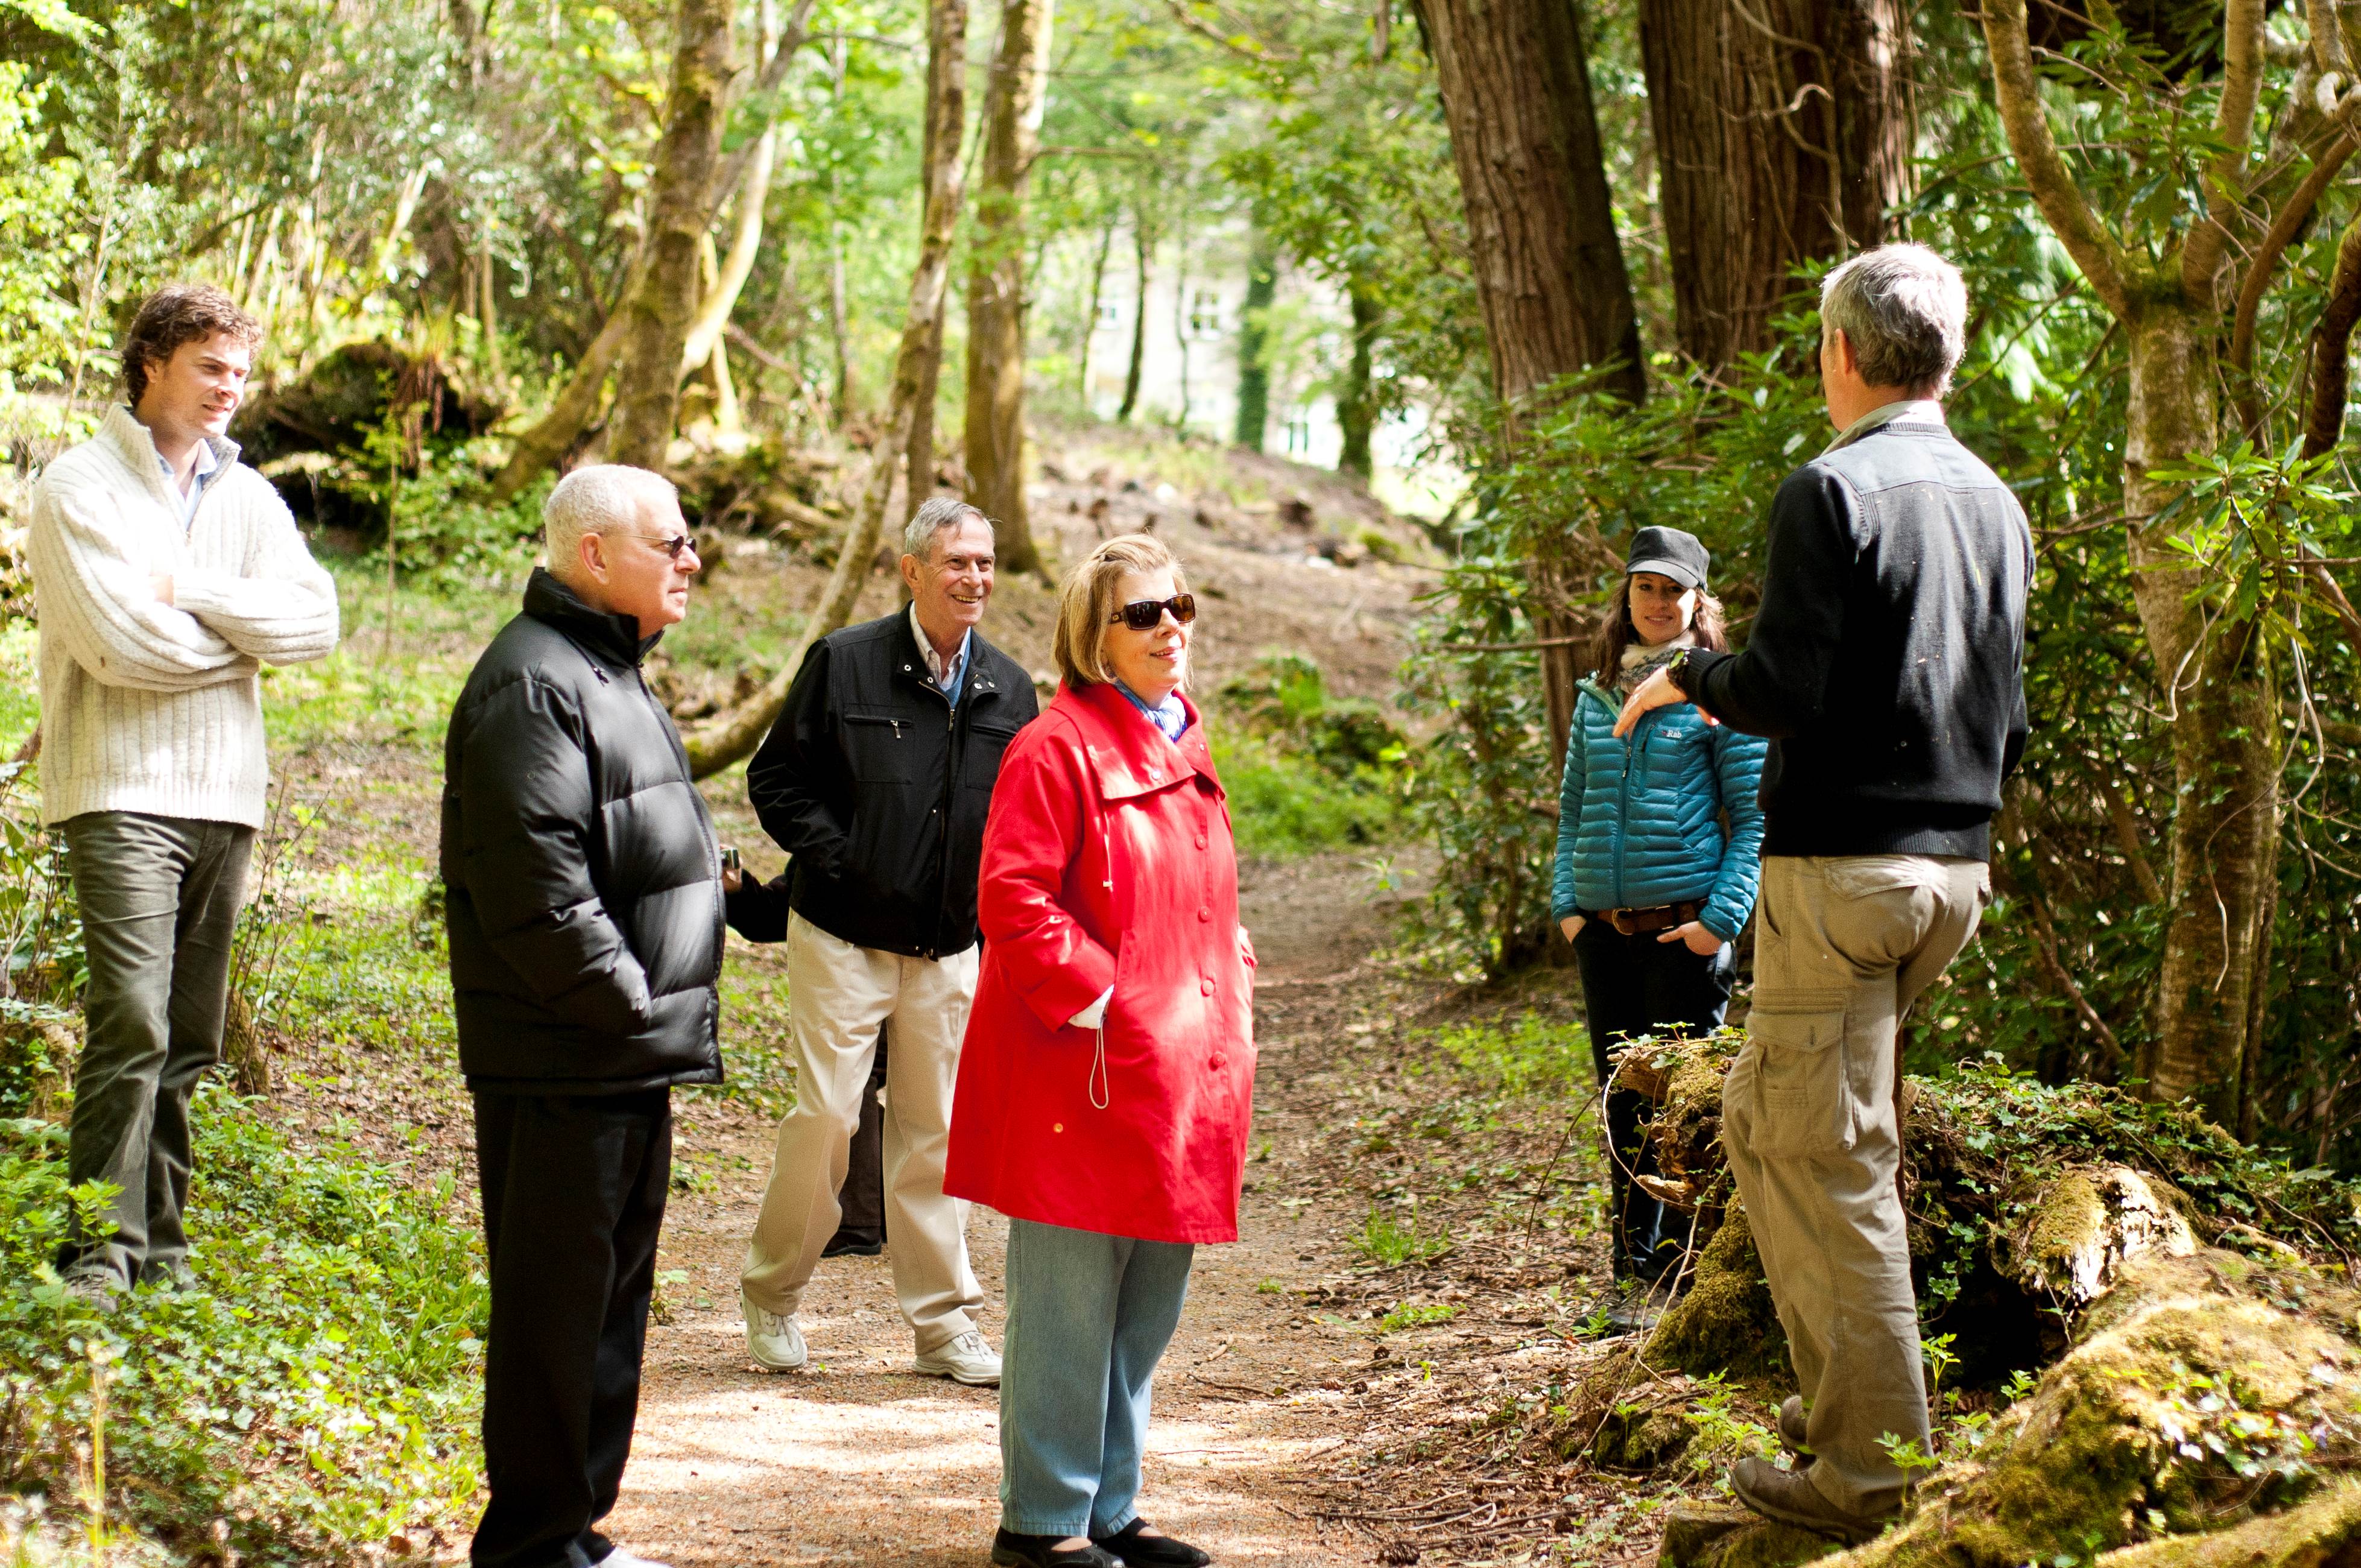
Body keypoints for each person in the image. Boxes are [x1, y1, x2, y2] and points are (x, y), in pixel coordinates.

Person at [1614, 243, 2031, 1543]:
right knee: (1767, 1122)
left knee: (1820, 1154)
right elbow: (2007, 713)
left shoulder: (1832, 488)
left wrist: (1685, 677)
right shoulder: (1994, 500)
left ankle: (1867, 1475)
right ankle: (1843, 1413)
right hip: (1948, 873)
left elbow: (1783, 686)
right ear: (1942, 355)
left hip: (1843, 873)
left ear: (1838, 354)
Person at [27, 283, 340, 1303]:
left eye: (241, 373)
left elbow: (314, 628)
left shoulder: (247, 499)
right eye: (212, 366)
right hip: (119, 787)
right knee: (132, 1020)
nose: (230, 389)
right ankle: (96, 1254)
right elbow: (119, 648)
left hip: (227, 797)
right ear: (152, 361)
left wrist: (196, 595)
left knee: (194, 1036)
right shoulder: (78, 487)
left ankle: (159, 1247)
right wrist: (241, 651)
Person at [947, 533, 1254, 1568]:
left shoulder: (1181, 736)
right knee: (1070, 1309)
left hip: (1178, 1071)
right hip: (1083, 1074)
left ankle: (1110, 1512)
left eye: (1183, 607)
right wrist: (1108, 1001)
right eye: (1145, 614)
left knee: (1142, 1309)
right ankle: (1042, 1524)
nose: (1172, 628)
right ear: (1095, 635)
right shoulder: (1056, 744)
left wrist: (1229, 965)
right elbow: (1013, 899)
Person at [441, 464, 721, 1568]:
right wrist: (627, 1000)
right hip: (566, 1054)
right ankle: (530, 1545)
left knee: (604, 1314)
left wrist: (727, 900)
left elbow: (623, 840)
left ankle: (572, 1533)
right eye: (673, 541)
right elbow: (534, 885)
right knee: (555, 1323)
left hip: (621, 1055)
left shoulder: (606, 670)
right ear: (596, 554)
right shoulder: (533, 681)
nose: (691, 560)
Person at [738, 496, 1038, 1385]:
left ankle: (942, 1326)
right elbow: (776, 780)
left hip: (949, 949)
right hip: (841, 935)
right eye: (956, 563)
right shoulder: (844, 663)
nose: (974, 578)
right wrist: (843, 859)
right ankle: (772, 1296)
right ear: (912, 571)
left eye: (984, 563)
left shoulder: (1008, 689)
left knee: (934, 1135)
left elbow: (1020, 822)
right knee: (827, 1121)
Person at [1551, 526, 1766, 1323]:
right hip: (1603, 934)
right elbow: (1573, 808)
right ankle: (1628, 1281)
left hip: (1684, 934)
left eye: (1672, 590)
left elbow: (1752, 817)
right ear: (1626, 594)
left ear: (1695, 602)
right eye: (1644, 586)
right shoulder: (1595, 693)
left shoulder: (1722, 694)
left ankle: (1682, 1284)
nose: (1656, 602)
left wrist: (1719, 920)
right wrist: (1567, 908)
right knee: (1618, 1104)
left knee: (1681, 1112)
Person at [716, 858, 887, 1257]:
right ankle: (864, 1215)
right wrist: (737, 887)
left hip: (939, 974)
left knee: (852, 1077)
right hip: (857, 979)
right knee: (850, 1077)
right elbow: (778, 913)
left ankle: (859, 1217)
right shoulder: (834, 834)